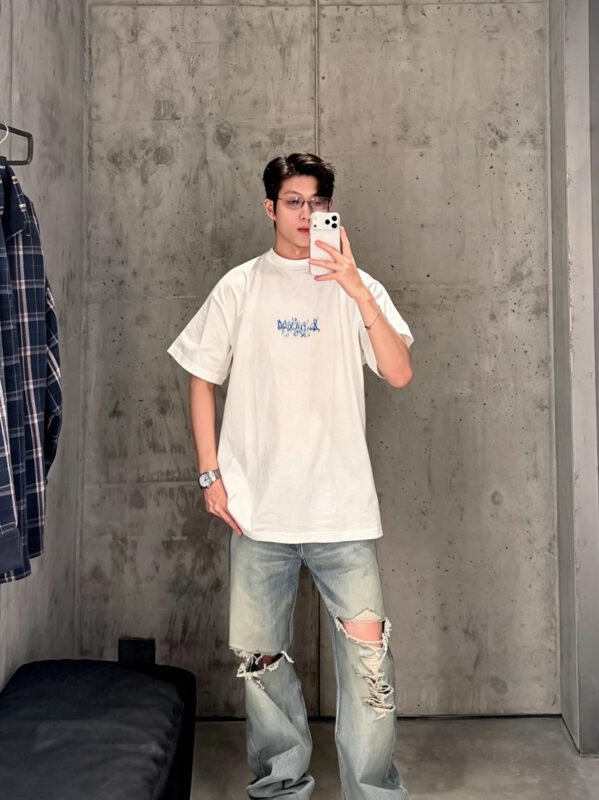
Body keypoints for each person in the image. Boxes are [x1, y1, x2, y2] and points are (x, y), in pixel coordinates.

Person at [168, 153, 413, 798]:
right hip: (259, 512)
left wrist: (356, 289)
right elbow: (200, 377)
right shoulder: (241, 286)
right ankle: (280, 787)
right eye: (294, 202)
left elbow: (399, 372)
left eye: (317, 203)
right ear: (270, 208)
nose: (306, 214)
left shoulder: (358, 286)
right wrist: (210, 476)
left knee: (369, 668)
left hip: (342, 511)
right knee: (262, 665)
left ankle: (373, 792)